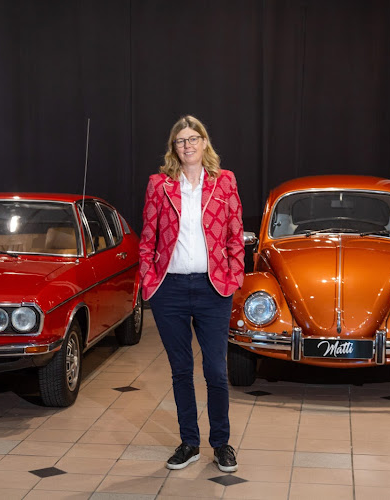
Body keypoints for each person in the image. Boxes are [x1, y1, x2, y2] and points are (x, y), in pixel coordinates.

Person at [139, 115, 245, 473]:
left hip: (213, 288)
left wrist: (234, 277)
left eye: (193, 138)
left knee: (215, 370)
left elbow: (235, 233)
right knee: (181, 370)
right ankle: (189, 443)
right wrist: (148, 280)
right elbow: (147, 238)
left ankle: (221, 444)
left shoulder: (224, 181)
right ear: (174, 147)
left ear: (204, 143)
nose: (187, 145)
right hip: (169, 289)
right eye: (180, 140)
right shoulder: (159, 184)